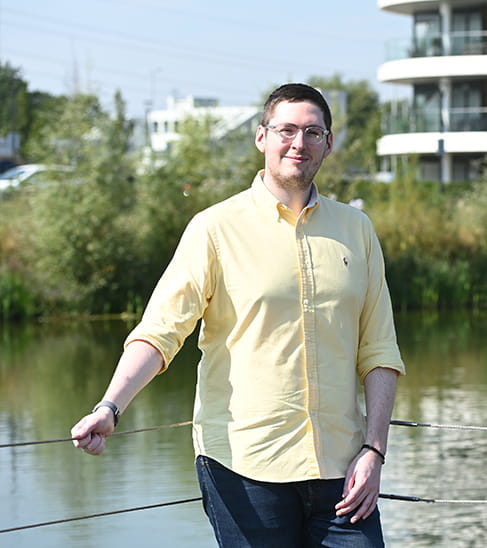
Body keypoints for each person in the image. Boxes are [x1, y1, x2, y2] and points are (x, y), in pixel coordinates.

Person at [70, 83, 405, 547]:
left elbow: (380, 350)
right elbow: (162, 331)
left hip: (344, 471)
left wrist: (375, 450)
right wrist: (110, 406)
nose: (298, 143)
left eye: (313, 132)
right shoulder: (214, 228)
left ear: (328, 143)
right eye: (286, 129)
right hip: (245, 467)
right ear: (261, 136)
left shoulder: (357, 230)